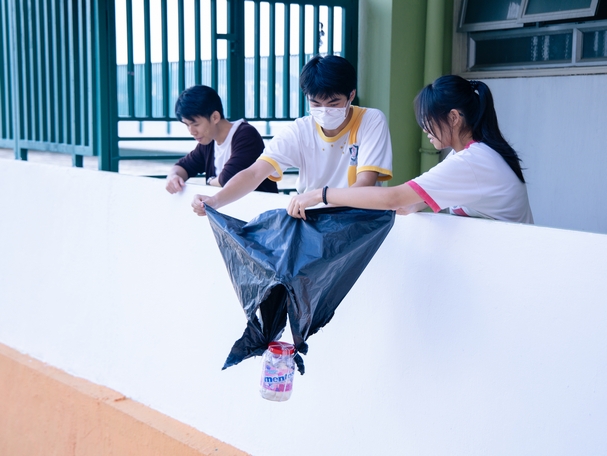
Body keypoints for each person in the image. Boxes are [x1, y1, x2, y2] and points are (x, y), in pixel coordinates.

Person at [287, 74, 534, 224]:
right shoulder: (474, 155)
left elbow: (393, 197)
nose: (425, 129)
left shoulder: (471, 161)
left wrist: (320, 195)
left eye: (428, 120)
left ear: (453, 118)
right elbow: (405, 203)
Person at [190, 55, 393, 216]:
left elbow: (364, 184)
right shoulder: (299, 130)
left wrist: (319, 197)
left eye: (333, 103)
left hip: (357, 218)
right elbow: (254, 173)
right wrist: (215, 200)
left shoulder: (371, 121)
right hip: (311, 219)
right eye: (315, 104)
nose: (324, 111)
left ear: (351, 95)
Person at [165, 85, 277, 194]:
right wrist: (173, 176)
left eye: (196, 124)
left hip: (258, 205)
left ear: (215, 117)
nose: (192, 131)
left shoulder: (246, 135)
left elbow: (230, 179)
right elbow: (184, 166)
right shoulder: (208, 141)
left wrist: (210, 181)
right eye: (187, 125)